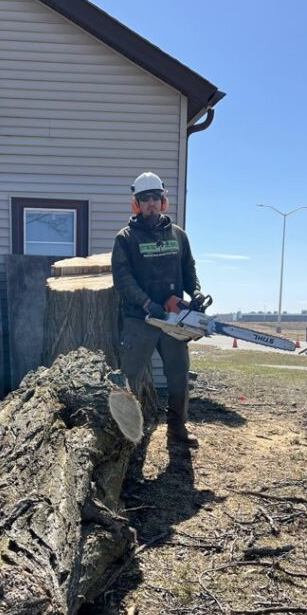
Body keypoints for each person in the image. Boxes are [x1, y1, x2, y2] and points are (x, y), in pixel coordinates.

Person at [111, 172, 205, 448]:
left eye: (155, 198)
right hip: (140, 318)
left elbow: (189, 270)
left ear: (163, 201)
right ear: (136, 204)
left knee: (179, 374)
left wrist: (195, 292)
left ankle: (177, 428)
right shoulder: (125, 238)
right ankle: (123, 434)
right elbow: (123, 279)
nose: (151, 203)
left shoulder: (178, 235)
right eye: (145, 199)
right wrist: (146, 303)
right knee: (128, 376)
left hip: (173, 318)